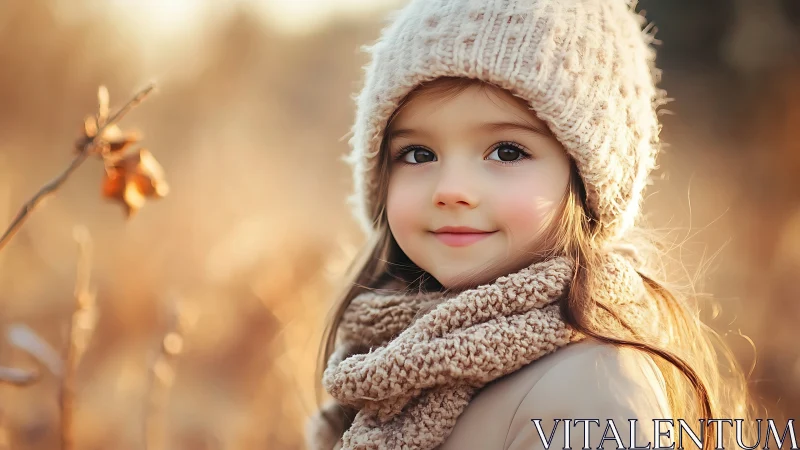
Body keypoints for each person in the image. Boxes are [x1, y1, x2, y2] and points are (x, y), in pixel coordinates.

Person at [305, 1, 756, 449]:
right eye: (419, 154)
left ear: (586, 183)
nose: (452, 189)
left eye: (506, 151)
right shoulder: (381, 366)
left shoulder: (593, 394)